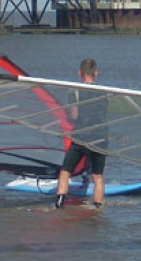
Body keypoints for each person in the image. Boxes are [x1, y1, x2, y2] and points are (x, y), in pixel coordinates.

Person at [55, 58, 107, 209]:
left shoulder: (74, 90)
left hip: (81, 137)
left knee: (65, 172)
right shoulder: (105, 91)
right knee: (98, 177)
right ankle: (97, 208)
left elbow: (74, 116)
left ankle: (59, 205)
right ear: (96, 73)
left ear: (80, 73)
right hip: (100, 137)